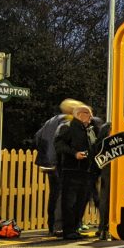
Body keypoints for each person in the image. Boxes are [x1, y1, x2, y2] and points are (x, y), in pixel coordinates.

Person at [34, 98, 83, 235]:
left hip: (49, 162)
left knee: (54, 194)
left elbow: (37, 136)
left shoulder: (51, 120)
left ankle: (52, 226)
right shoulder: (69, 122)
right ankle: (60, 226)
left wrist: (46, 153)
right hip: (61, 162)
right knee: (64, 194)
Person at [54, 105, 100, 240]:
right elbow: (59, 144)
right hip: (71, 170)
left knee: (81, 201)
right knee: (69, 202)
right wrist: (74, 154)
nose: (91, 117)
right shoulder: (67, 127)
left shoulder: (90, 129)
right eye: (88, 114)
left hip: (86, 171)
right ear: (80, 114)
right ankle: (68, 230)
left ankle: (75, 228)